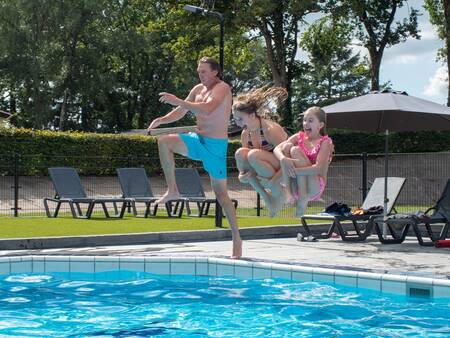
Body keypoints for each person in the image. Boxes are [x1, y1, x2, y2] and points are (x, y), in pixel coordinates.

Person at [147, 56, 242, 259]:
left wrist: (179, 100)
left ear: (215, 72)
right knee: (164, 142)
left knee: (222, 196)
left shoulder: (222, 88)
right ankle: (173, 190)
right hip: (197, 140)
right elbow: (181, 111)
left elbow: (207, 109)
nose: (200, 75)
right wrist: (162, 120)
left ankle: (236, 238)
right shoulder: (198, 89)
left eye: (204, 71)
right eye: (199, 71)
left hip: (216, 147)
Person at [232, 87, 288, 217]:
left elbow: (288, 160)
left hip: (285, 171)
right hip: (265, 170)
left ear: (252, 115)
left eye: (240, 119)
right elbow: (244, 162)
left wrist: (274, 180)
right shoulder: (245, 134)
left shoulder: (270, 130)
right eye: (235, 119)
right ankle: (267, 198)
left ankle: (279, 193)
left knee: (253, 155)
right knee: (240, 153)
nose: (237, 123)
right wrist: (242, 175)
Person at [273, 106, 334, 217]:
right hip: (296, 186)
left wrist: (294, 171)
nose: (306, 123)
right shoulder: (298, 137)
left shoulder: (325, 142)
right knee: (287, 147)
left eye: (310, 121)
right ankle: (290, 194)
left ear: (320, 125)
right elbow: (276, 149)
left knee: (295, 150)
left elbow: (318, 168)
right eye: (305, 120)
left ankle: (302, 198)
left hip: (314, 186)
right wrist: (283, 159)